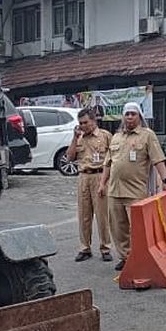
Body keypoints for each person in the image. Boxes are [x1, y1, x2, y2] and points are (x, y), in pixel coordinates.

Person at [99, 102, 166, 271]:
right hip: (115, 191)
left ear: (139, 116)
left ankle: (141, 258)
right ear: (123, 117)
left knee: (138, 229)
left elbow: (158, 159)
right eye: (127, 114)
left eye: (133, 114)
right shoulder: (116, 137)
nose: (130, 117)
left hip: (136, 191)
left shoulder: (147, 135)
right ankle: (126, 257)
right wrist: (102, 183)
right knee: (118, 228)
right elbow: (108, 163)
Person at [65, 107, 113, 263]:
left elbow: (113, 158)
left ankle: (105, 247)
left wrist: (106, 181)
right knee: (84, 215)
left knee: (102, 215)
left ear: (94, 120)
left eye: (85, 122)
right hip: (83, 176)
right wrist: (74, 138)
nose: (83, 126)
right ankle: (85, 247)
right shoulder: (79, 138)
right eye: (80, 123)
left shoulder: (105, 136)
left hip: (100, 175)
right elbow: (69, 158)